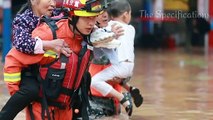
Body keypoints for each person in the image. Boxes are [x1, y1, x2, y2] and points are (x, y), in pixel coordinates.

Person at [1, 0, 104, 119]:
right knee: (29, 91)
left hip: (66, 105)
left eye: (94, 18)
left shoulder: (85, 33)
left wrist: (104, 32)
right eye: (87, 19)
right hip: (42, 103)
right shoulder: (40, 28)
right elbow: (15, 55)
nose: (91, 24)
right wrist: (16, 92)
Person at [0, 0, 71, 119]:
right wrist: (48, 44)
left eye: (54, 0)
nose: (53, 4)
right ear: (33, 1)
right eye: (48, 0)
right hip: (30, 69)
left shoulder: (57, 16)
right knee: (31, 90)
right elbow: (21, 43)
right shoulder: (23, 19)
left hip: (51, 68)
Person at [90, 0, 143, 116]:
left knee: (94, 81)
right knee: (113, 76)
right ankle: (129, 88)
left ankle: (122, 98)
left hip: (117, 66)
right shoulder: (131, 29)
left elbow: (97, 37)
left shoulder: (109, 26)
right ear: (125, 15)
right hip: (129, 67)